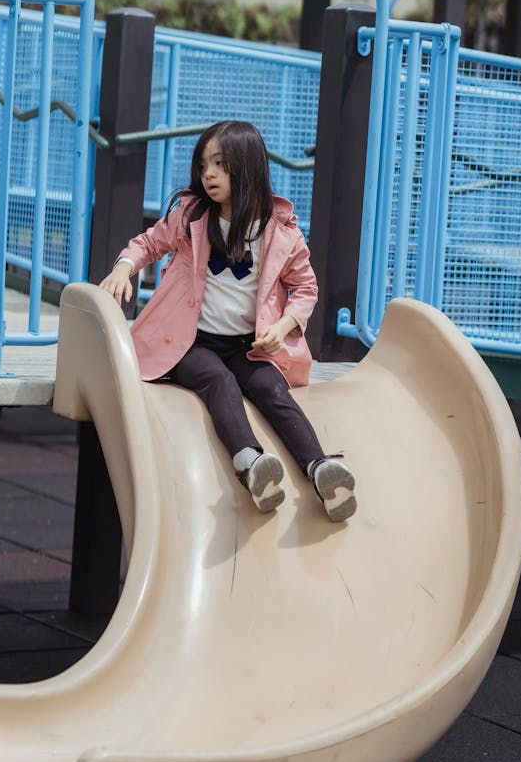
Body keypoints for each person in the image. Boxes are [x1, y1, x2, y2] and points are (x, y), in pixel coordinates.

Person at [99, 119, 356, 523]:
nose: (209, 175)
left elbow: (306, 289)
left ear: (248, 166)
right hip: (190, 342)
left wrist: (284, 326)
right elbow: (149, 243)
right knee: (218, 382)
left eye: (219, 164)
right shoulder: (191, 216)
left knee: (272, 388)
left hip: (246, 346)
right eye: (204, 166)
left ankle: (320, 467)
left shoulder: (281, 233)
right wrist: (123, 268)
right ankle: (250, 463)